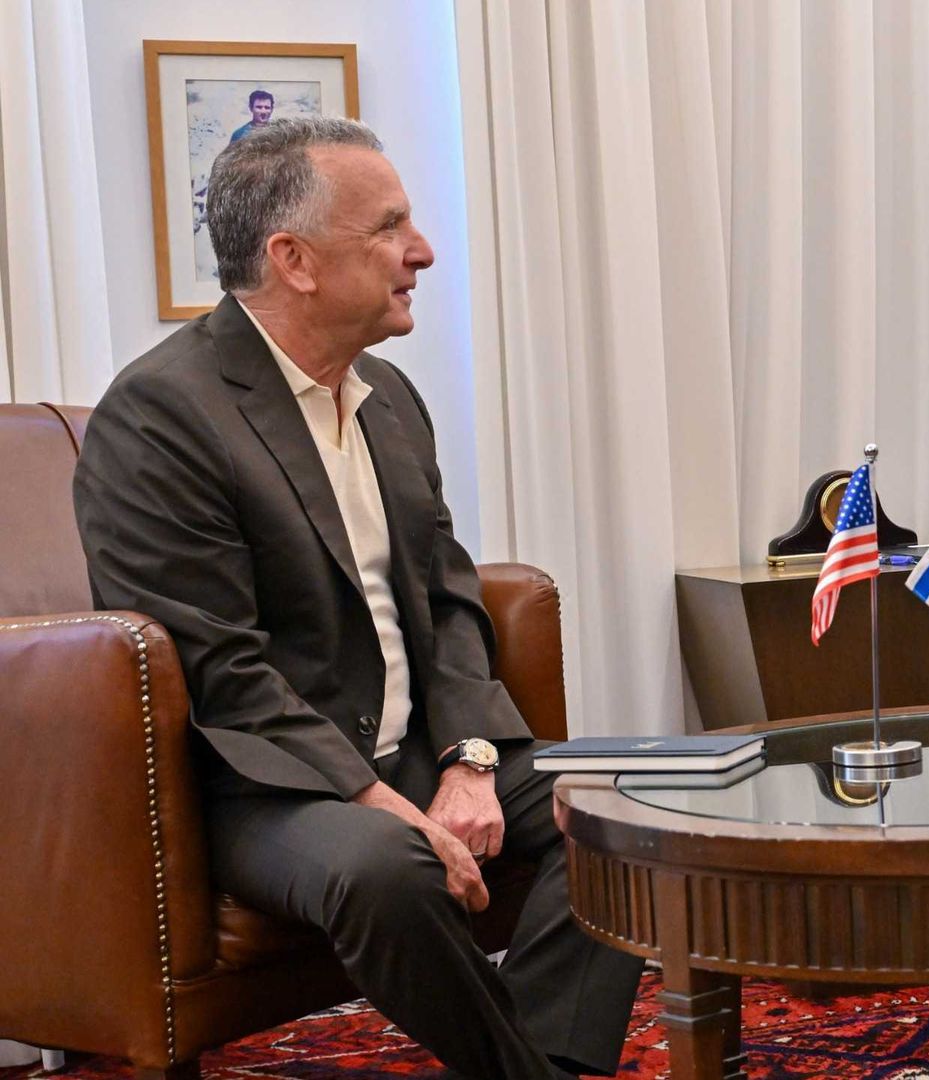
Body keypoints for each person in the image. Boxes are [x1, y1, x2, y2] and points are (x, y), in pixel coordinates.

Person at [73, 118, 645, 1080]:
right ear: (292, 259)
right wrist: (378, 799)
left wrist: (468, 763)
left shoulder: (385, 393)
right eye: (388, 228)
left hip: (417, 745)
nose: (420, 252)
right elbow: (221, 669)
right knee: (385, 868)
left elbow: (451, 602)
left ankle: (549, 1062)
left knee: (624, 806)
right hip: (267, 787)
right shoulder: (162, 415)